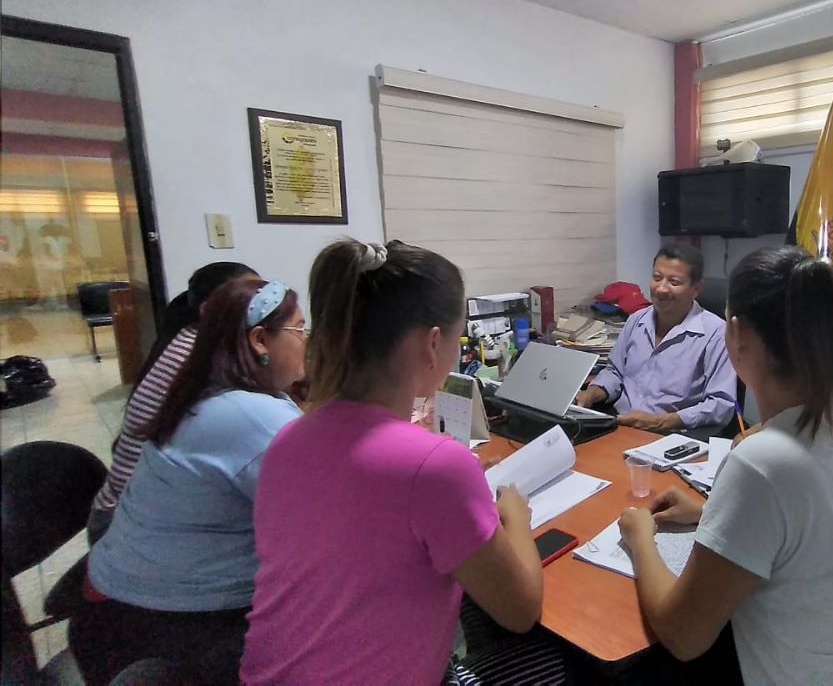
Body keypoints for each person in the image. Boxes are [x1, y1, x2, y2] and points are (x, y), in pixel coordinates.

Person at [617, 246, 833, 685]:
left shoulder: (760, 463)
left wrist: (640, 538)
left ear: (736, 334)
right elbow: (822, 519)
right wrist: (712, 514)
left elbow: (682, 635)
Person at [241, 240, 563, 685]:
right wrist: (516, 518)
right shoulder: (434, 466)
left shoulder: (287, 441)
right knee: (559, 663)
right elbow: (521, 611)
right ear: (433, 343)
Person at [70, 279, 308, 685]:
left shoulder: (206, 388)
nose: (306, 341)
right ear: (259, 341)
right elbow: (329, 514)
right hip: (153, 630)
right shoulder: (249, 416)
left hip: (124, 593)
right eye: (299, 329)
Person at [87, 262, 258, 543]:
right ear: (209, 309)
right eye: (250, 297)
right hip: (125, 522)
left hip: (140, 508)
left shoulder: (191, 337)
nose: (264, 306)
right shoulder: (201, 355)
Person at [576, 243, 736, 432]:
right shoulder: (636, 320)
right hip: (619, 425)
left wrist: (661, 421)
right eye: (657, 278)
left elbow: (720, 404)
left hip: (668, 434)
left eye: (673, 282)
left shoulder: (716, 334)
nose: (661, 289)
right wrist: (591, 394)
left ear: (696, 289)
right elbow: (615, 372)